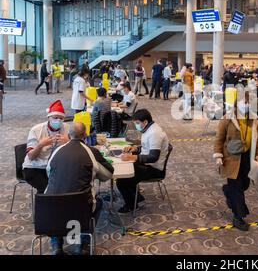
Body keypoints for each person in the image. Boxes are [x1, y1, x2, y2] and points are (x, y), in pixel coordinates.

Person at [45, 122, 114, 255]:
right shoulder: (91, 151)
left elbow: (49, 173)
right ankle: (83, 244)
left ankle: (56, 244)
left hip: (49, 207)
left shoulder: (56, 150)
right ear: (86, 135)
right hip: (80, 208)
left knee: (57, 196)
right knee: (98, 203)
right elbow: (108, 174)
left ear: (68, 135)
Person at [213, 93, 258, 231]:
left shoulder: (254, 119)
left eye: (248, 102)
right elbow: (219, 138)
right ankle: (238, 216)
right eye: (244, 102)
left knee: (244, 184)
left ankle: (228, 191)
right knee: (237, 189)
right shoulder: (227, 118)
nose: (246, 105)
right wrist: (218, 155)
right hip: (231, 158)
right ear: (237, 103)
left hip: (247, 157)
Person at [116, 109, 169, 213]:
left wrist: (133, 157)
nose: (136, 126)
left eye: (137, 123)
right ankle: (138, 198)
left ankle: (132, 205)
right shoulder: (148, 129)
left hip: (154, 168)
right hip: (147, 163)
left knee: (122, 181)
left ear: (145, 122)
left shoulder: (154, 133)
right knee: (126, 171)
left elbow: (153, 157)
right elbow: (146, 147)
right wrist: (135, 149)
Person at [22, 100, 70, 194]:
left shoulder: (67, 128)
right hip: (35, 168)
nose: (58, 121)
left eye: (61, 118)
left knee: (69, 185)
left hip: (56, 167)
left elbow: (75, 150)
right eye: (55, 118)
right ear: (49, 117)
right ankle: (43, 207)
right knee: (48, 190)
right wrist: (41, 145)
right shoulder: (36, 130)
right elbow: (31, 157)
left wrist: (68, 142)